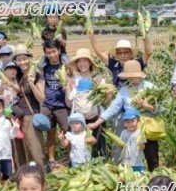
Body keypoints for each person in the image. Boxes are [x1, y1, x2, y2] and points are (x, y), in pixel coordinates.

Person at [91, 60, 160, 171]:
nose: (130, 78)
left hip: (148, 127)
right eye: (128, 76)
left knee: (151, 157)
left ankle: (155, 182)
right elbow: (112, 108)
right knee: (133, 159)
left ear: (139, 75)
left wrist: (147, 106)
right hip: (132, 128)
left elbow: (161, 109)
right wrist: (96, 123)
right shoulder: (124, 90)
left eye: (132, 76)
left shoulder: (150, 87)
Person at [65, 48, 107, 157]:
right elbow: (69, 103)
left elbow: (104, 102)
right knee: (81, 151)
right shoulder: (73, 79)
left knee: (99, 151)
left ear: (90, 62)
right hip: (79, 122)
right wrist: (68, 87)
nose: (82, 63)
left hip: (96, 119)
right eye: (79, 61)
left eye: (85, 60)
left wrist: (109, 94)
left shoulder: (97, 79)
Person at [35, 39, 69, 169]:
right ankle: (51, 159)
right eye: (48, 52)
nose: (51, 55)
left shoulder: (65, 65)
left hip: (62, 106)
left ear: (59, 51)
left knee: (68, 132)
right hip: (48, 105)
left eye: (54, 51)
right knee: (50, 134)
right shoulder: (44, 67)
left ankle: (71, 158)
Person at [11, 44, 46, 169]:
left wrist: (31, 84)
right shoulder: (18, 76)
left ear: (29, 59)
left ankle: (41, 177)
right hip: (18, 117)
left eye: (24, 59)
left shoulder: (37, 76)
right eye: (19, 60)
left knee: (35, 150)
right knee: (20, 151)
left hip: (30, 117)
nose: (22, 62)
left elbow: (41, 98)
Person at [89, 34, 154, 88]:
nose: (122, 55)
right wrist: (92, 38)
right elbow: (100, 53)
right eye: (119, 53)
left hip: (136, 99)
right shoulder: (114, 65)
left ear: (131, 53)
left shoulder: (137, 64)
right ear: (116, 55)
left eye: (126, 52)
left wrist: (144, 35)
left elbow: (149, 52)